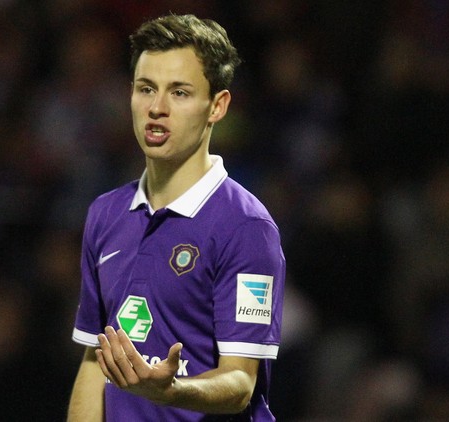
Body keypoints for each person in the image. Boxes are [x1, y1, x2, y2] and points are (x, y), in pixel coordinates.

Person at [68, 14, 286, 421]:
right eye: (146, 88)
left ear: (217, 106)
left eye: (180, 93)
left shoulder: (246, 228)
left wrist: (170, 391)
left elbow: (240, 383)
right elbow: (94, 361)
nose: (157, 108)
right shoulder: (105, 214)